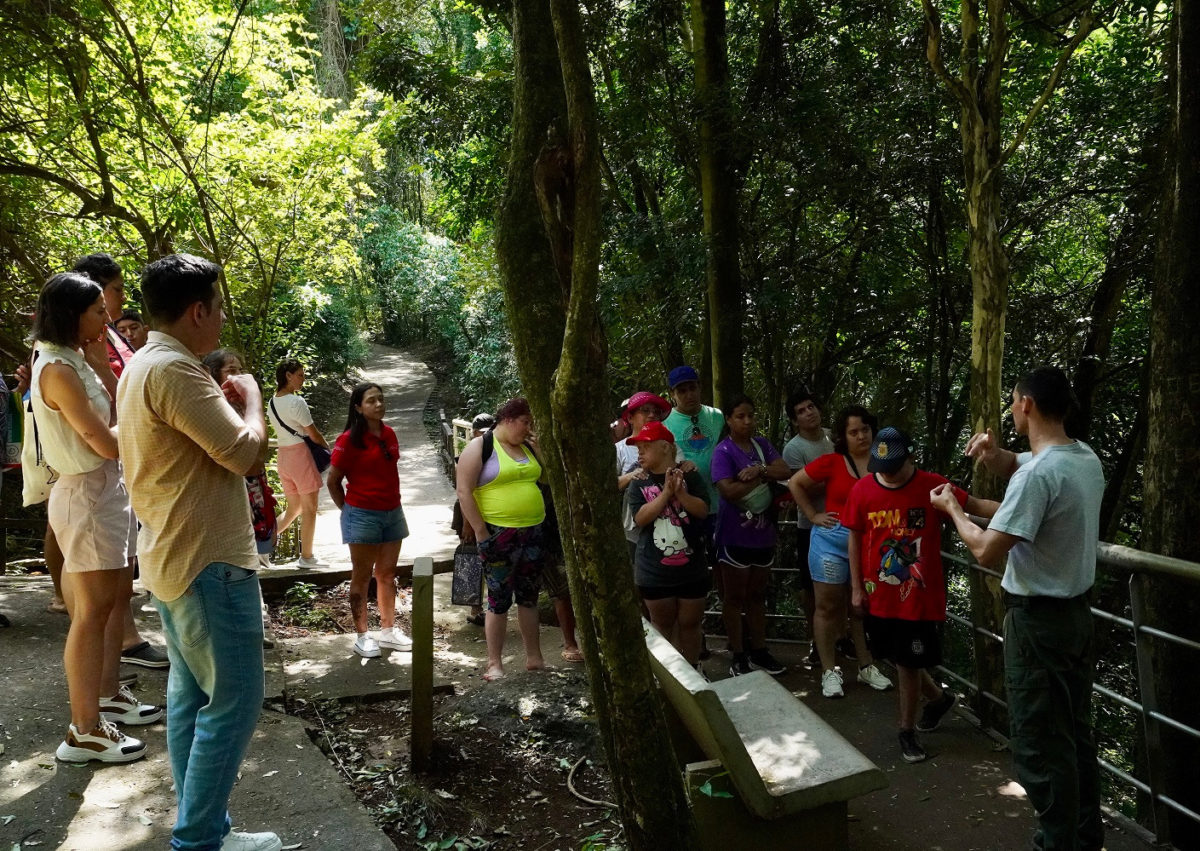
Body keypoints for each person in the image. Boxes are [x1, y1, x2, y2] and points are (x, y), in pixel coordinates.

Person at [117, 253, 281, 851]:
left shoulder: (143, 365)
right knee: (234, 703)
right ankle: (198, 842)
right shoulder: (175, 370)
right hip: (208, 563)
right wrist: (253, 400)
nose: (220, 319)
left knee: (191, 703)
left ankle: (207, 831)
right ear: (197, 311)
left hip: (172, 559)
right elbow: (242, 453)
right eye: (217, 307)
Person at [932, 366, 1104, 851]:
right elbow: (1024, 468)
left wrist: (954, 511)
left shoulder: (1041, 475)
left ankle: (1056, 843)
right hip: (1075, 618)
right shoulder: (1082, 458)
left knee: (1040, 746)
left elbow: (986, 550)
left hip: (1038, 625)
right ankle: (1082, 837)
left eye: (1012, 401)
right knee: (1074, 735)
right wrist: (993, 456)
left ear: (1026, 404)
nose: (1010, 409)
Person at [30, 273, 160, 766]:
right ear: (71, 314)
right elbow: (105, 441)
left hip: (107, 489)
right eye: (98, 313)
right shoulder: (57, 369)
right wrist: (152, 421)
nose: (108, 319)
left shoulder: (76, 357)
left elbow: (115, 395)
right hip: (85, 494)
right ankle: (82, 731)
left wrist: (104, 357)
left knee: (114, 599)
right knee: (88, 613)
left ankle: (106, 697)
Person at [843, 427, 998, 763]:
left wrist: (1025, 512)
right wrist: (855, 587)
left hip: (917, 598)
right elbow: (854, 537)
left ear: (910, 457)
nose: (886, 472)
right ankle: (939, 699)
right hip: (877, 594)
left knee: (909, 664)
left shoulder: (934, 486)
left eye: (893, 465)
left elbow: (976, 505)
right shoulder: (863, 490)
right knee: (895, 657)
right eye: (880, 465)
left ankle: (906, 731)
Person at [787, 405, 893, 698]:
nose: (860, 436)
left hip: (869, 544)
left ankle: (866, 665)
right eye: (853, 431)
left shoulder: (885, 461)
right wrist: (813, 515)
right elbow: (795, 483)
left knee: (860, 607)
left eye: (865, 430)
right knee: (827, 607)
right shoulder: (832, 462)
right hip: (831, 541)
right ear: (842, 436)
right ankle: (829, 671)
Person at [454, 397, 546, 682]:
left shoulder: (529, 447)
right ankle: (494, 663)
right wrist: (481, 532)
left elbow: (548, 480)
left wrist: (540, 448)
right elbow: (464, 491)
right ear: (508, 419)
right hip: (498, 533)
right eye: (525, 422)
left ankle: (535, 658)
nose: (528, 428)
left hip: (533, 531)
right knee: (498, 599)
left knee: (529, 597)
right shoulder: (481, 447)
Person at [326, 382, 413, 658]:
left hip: (392, 511)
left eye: (380, 399)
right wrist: (349, 511)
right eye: (371, 401)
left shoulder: (389, 433)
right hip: (362, 513)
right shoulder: (348, 441)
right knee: (361, 577)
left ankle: (388, 631)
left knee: (387, 574)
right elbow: (333, 481)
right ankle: (362, 635)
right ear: (358, 408)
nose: (378, 404)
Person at [711, 396, 792, 677]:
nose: (747, 421)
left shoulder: (763, 445)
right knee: (733, 598)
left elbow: (784, 470)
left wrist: (758, 471)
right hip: (733, 537)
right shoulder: (723, 452)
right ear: (729, 420)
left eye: (751, 416)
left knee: (757, 596)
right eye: (740, 416)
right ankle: (738, 654)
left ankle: (759, 650)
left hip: (764, 536)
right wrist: (763, 477)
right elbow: (727, 491)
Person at [624, 421, 710, 667]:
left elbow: (703, 510)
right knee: (662, 625)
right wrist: (665, 494)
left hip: (691, 568)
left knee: (691, 623)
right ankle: (672, 678)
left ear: (664, 447)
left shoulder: (690, 475)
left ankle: (693, 669)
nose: (639, 452)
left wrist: (681, 493)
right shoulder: (639, 480)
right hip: (654, 571)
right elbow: (640, 518)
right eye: (637, 447)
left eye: (644, 447)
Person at [203, 350, 278, 567]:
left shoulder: (243, 405)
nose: (240, 377)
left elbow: (259, 452)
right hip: (230, 492)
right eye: (231, 371)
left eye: (241, 370)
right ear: (214, 375)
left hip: (253, 486)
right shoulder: (211, 406)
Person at [780, 389, 834, 666]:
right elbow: (799, 487)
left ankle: (841, 638)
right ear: (794, 420)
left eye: (811, 406)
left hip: (841, 521)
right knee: (811, 588)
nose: (809, 412)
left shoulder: (831, 437)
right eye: (801, 411)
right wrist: (835, 480)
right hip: (810, 526)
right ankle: (814, 641)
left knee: (843, 586)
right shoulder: (794, 449)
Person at [268, 359, 329, 567]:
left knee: (294, 508)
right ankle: (307, 557)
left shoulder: (272, 402)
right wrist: (329, 450)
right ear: (288, 376)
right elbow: (313, 434)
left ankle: (261, 546)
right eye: (300, 375)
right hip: (300, 457)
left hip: (283, 458)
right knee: (309, 508)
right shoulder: (296, 402)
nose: (303, 379)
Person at [452, 413, 495, 627]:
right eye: (481, 432)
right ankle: (475, 607)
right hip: (468, 513)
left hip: (491, 512)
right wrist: (468, 525)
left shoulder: (496, 451)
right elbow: (464, 492)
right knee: (472, 557)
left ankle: (488, 606)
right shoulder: (468, 456)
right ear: (474, 433)